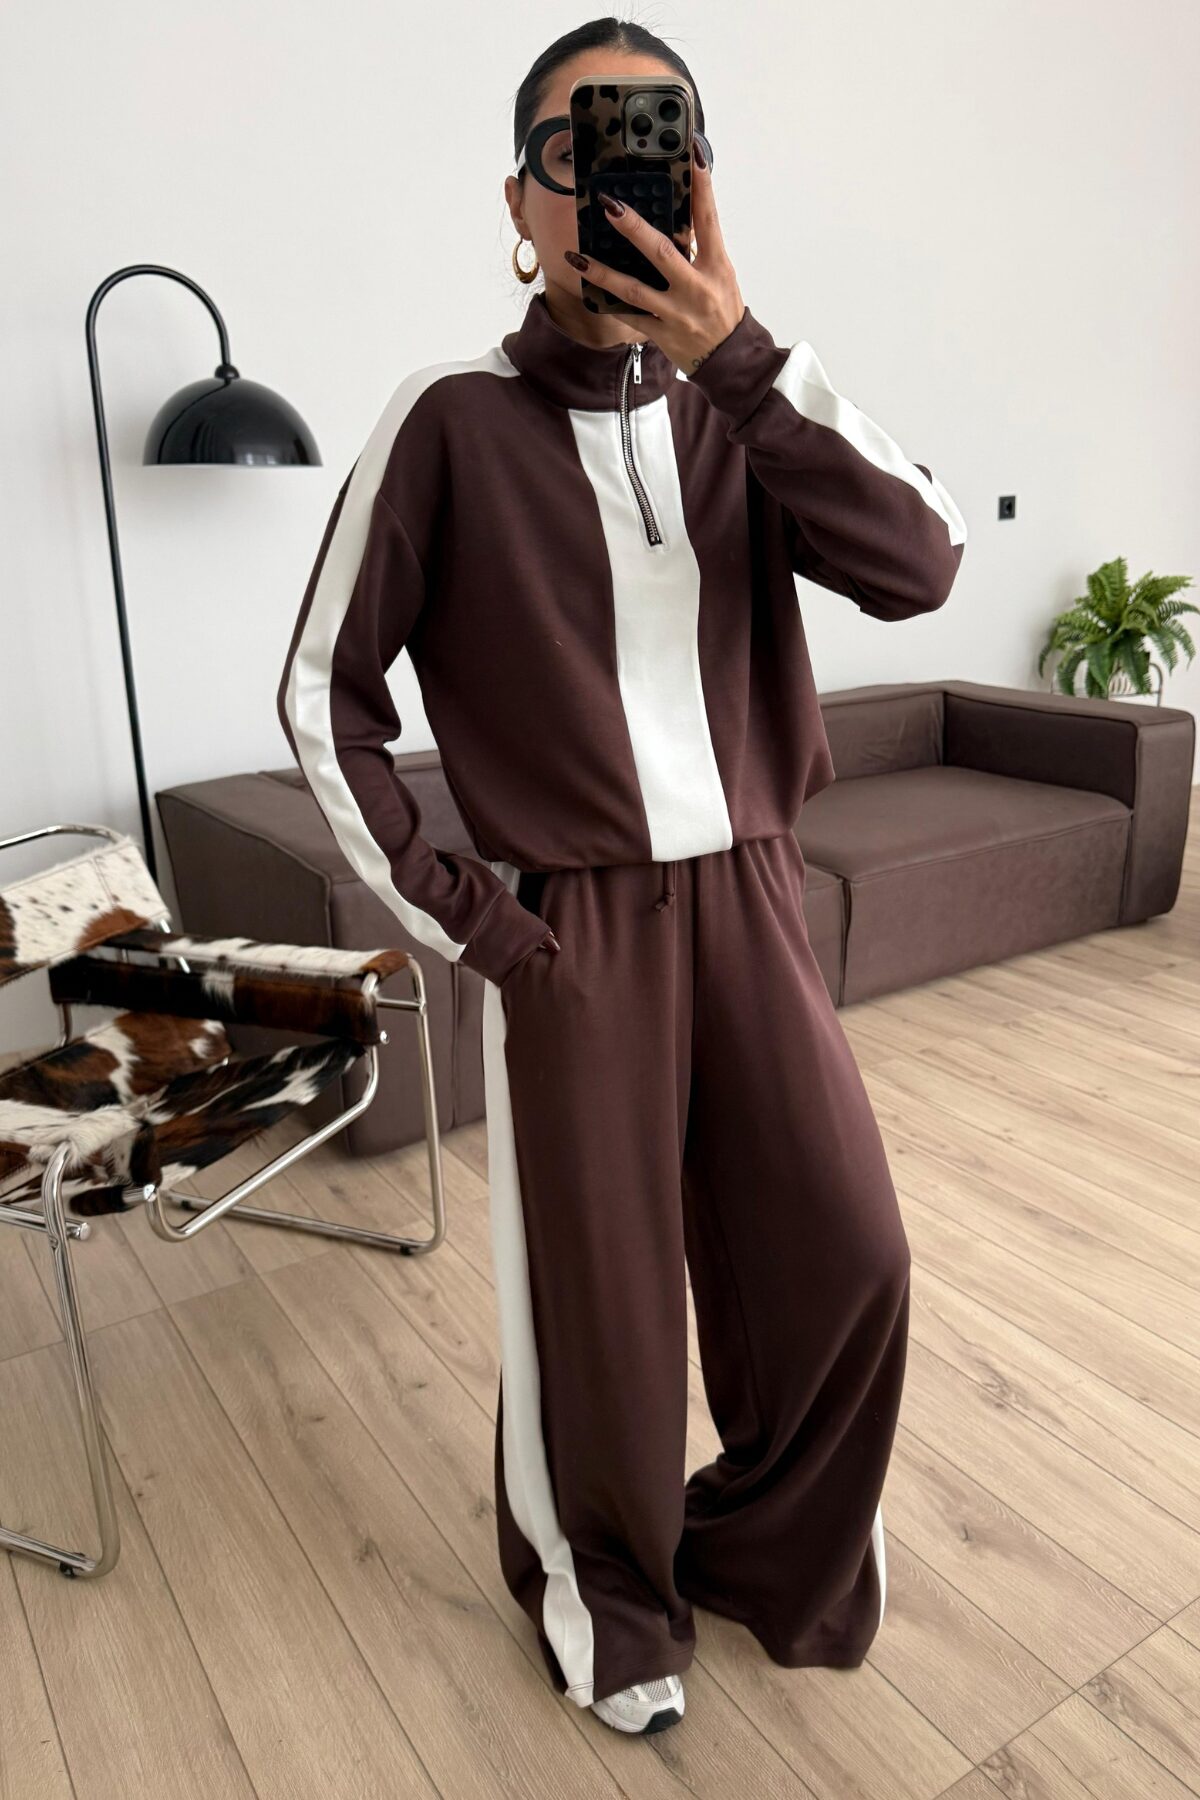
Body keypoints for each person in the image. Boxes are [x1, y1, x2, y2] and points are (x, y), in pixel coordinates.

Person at [277, 16, 966, 1739]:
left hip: (756, 899)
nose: (613, 183)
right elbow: (320, 698)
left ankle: (760, 1550)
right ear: (521, 201)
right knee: (603, 1311)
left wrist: (742, 354)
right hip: (569, 930)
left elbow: (923, 563)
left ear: (702, 183)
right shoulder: (447, 422)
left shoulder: (754, 406)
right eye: (570, 152)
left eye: (655, 145)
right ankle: (612, 1599)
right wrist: (481, 925)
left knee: (849, 1257)